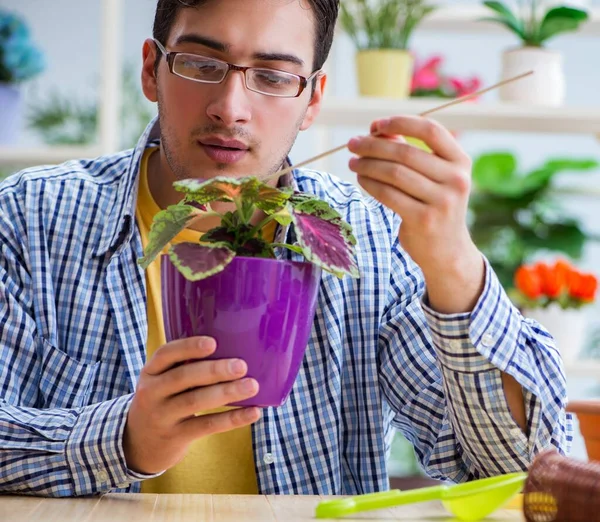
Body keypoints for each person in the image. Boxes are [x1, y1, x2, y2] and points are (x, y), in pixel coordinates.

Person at [0, 0, 571, 498]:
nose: (231, 107)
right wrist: (123, 439)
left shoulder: (367, 238)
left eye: (273, 77)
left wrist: (454, 264)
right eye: (202, 64)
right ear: (152, 70)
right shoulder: (31, 218)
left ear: (314, 98)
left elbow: (528, 474)